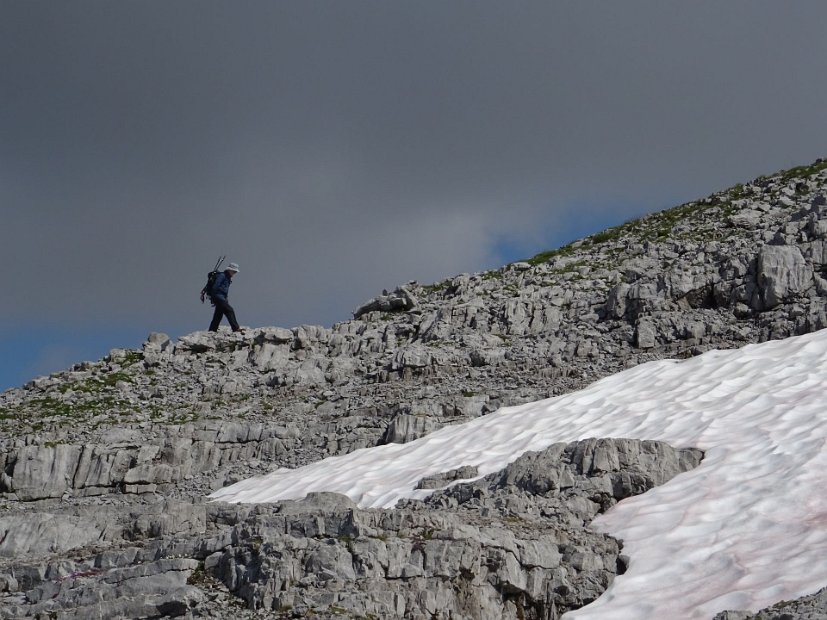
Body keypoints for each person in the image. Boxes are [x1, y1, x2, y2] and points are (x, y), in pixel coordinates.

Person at [206, 262, 242, 332]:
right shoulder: (222, 276)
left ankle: (212, 330)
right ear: (229, 270)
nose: (235, 273)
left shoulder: (228, 278)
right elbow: (215, 286)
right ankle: (236, 328)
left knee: (218, 314)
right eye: (234, 271)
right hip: (218, 296)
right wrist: (214, 298)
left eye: (235, 272)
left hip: (221, 297)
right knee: (230, 310)